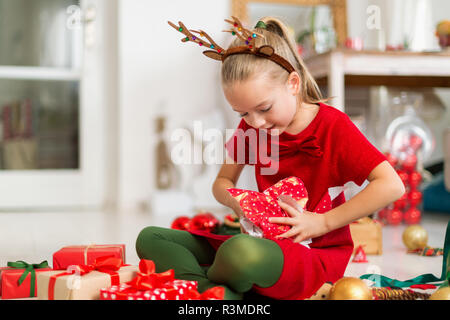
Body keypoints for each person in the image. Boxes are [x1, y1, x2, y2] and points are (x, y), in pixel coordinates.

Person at [136, 16, 405, 300]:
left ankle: (214, 285)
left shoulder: (332, 126)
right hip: (262, 242)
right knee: (152, 238)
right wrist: (242, 204)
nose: (256, 122)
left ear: (292, 83)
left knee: (237, 252)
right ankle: (216, 292)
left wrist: (323, 222)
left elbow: (391, 185)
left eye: (264, 108)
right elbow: (222, 182)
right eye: (243, 113)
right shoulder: (251, 128)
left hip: (313, 254)